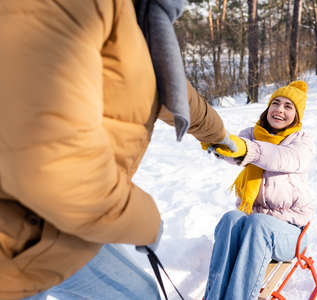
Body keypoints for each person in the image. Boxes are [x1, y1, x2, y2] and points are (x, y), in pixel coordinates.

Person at [0, 1, 246, 299]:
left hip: (51, 229)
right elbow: (52, 166)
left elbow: (172, 89)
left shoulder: (138, 19)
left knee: (141, 294)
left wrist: (219, 135)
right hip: (20, 234)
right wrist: (142, 221)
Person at [202, 80, 315, 300]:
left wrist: (247, 149)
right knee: (231, 218)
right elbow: (235, 151)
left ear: (297, 115)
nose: (279, 110)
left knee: (257, 222)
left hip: (290, 233)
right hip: (252, 230)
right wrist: (214, 142)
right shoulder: (251, 134)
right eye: (276, 103)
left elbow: (280, 158)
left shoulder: (302, 143)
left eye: (288, 106)